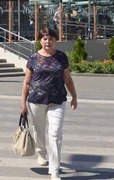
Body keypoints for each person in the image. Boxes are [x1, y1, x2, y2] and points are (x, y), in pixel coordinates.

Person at [20, 27, 78, 180]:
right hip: (36, 101)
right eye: (45, 38)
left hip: (58, 100)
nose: (48, 41)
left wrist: (74, 97)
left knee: (55, 133)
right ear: (40, 40)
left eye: (51, 39)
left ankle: (54, 171)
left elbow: (68, 79)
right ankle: (41, 153)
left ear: (55, 41)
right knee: (39, 130)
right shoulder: (33, 58)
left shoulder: (61, 57)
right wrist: (22, 103)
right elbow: (26, 83)